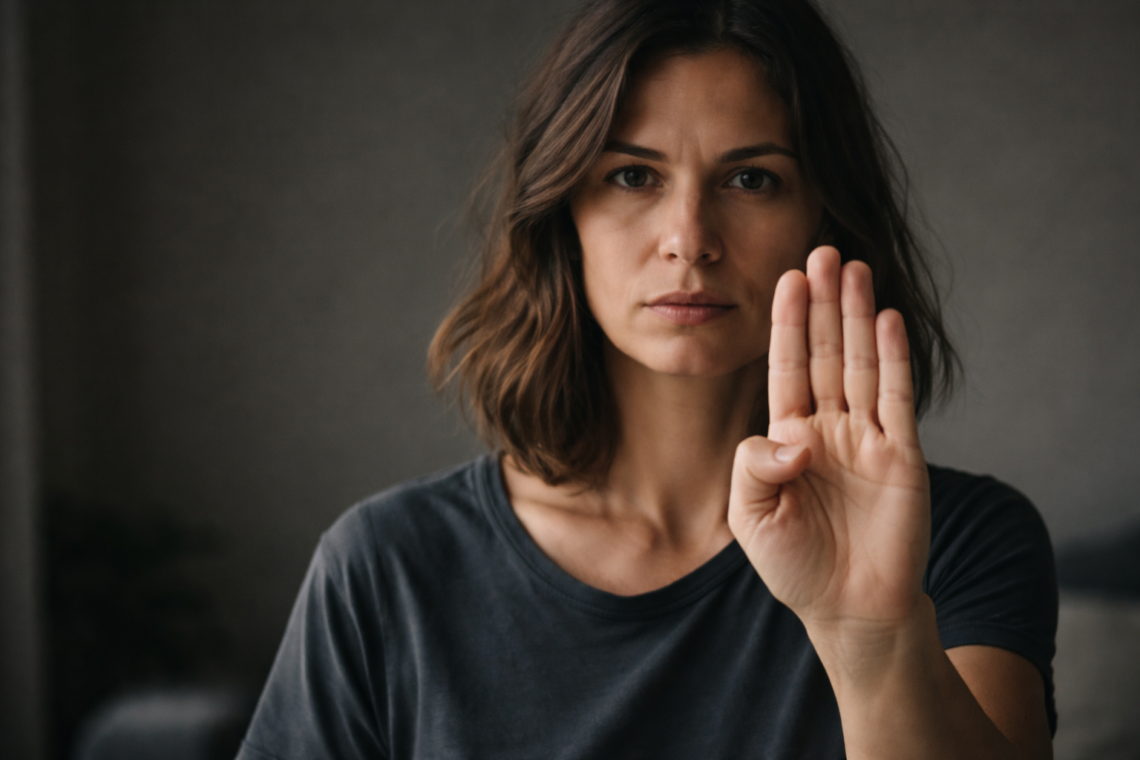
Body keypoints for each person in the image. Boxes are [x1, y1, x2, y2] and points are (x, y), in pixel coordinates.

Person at [237, 1, 1057, 758]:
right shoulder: (387, 566)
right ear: (564, 212)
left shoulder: (959, 545)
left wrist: (874, 642)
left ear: (824, 215)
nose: (689, 238)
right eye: (632, 175)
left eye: (751, 178)